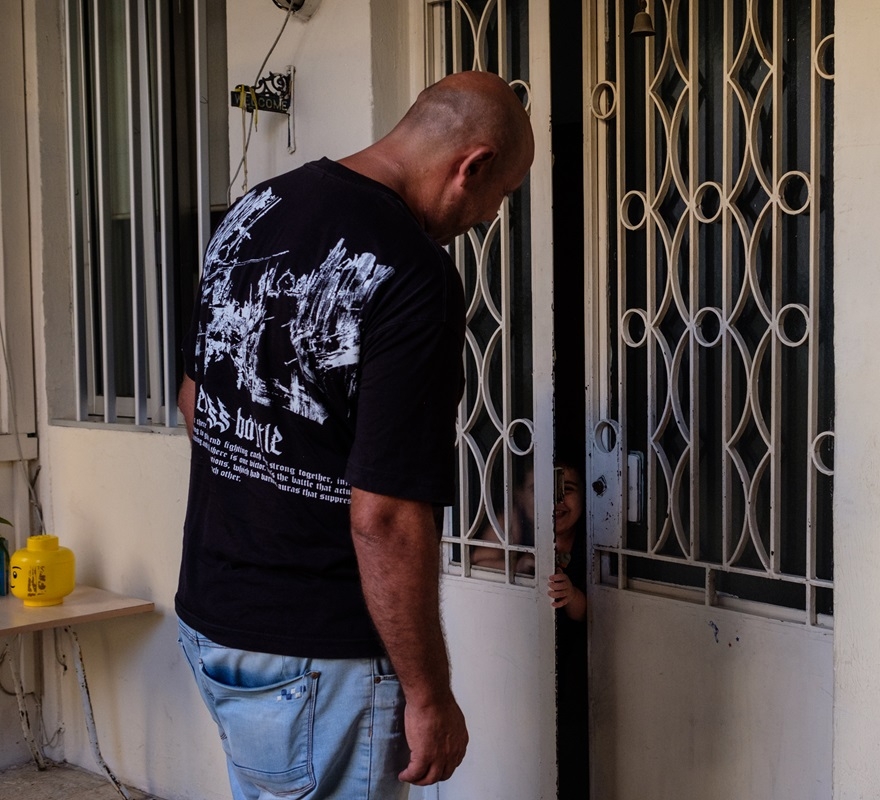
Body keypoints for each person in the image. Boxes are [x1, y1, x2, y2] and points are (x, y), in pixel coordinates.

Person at [174, 70, 535, 800]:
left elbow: (195, 401)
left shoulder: (256, 208)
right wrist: (429, 696)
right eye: (501, 197)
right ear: (474, 165)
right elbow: (388, 517)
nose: (490, 217)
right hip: (317, 655)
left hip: (214, 619)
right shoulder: (412, 274)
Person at [469, 461, 589, 797]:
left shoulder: (594, 541)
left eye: (567, 490)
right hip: (520, 660)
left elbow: (600, 613)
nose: (557, 502)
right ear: (522, 498)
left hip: (576, 668)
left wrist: (574, 596)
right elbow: (476, 559)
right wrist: (516, 563)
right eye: (541, 491)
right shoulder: (518, 526)